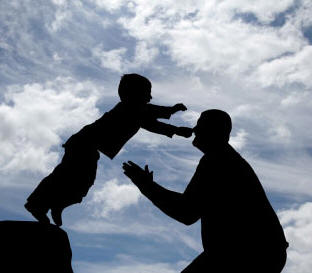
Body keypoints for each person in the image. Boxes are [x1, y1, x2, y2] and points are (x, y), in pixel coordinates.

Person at [123, 109, 289, 273]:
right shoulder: (222, 158)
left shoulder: (218, 161)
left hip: (249, 253)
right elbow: (188, 207)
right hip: (251, 252)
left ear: (214, 131)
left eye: (200, 125)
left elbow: (186, 212)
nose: (195, 129)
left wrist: (146, 185)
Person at [25, 73, 193, 226]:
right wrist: (173, 114)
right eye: (146, 93)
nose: (149, 97)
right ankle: (37, 204)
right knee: (66, 176)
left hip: (89, 148)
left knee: (80, 183)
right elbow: (149, 116)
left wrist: (176, 128)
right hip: (83, 144)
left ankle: (56, 204)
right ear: (131, 94)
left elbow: (149, 122)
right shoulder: (127, 108)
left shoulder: (136, 112)